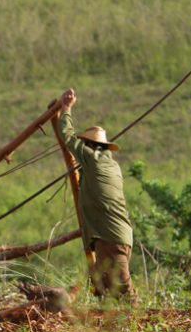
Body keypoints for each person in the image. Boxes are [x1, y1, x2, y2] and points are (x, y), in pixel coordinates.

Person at [57, 88, 138, 301]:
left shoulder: (92, 160)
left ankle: (141, 319)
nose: (83, 147)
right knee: (106, 289)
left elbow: (67, 136)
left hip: (111, 237)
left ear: (91, 146)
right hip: (117, 236)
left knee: (122, 287)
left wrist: (66, 108)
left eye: (85, 144)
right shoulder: (111, 165)